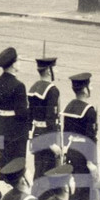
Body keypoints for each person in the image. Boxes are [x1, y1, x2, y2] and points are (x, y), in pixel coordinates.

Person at [62, 72, 99, 200]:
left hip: (71, 150)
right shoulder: (89, 110)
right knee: (83, 189)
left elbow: (65, 133)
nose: (91, 88)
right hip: (84, 153)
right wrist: (91, 161)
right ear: (84, 90)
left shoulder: (69, 106)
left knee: (77, 186)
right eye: (89, 85)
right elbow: (90, 138)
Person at [0, 47, 30, 169]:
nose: (20, 63)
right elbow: (22, 113)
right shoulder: (19, 86)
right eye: (18, 61)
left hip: (2, 127)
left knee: (4, 161)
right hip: (17, 130)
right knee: (17, 164)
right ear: (13, 65)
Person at [28, 56, 61, 187]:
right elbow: (50, 118)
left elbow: (30, 116)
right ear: (48, 70)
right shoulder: (52, 91)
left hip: (37, 133)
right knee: (48, 173)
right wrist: (52, 142)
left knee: (39, 170)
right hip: (47, 135)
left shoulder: (34, 88)